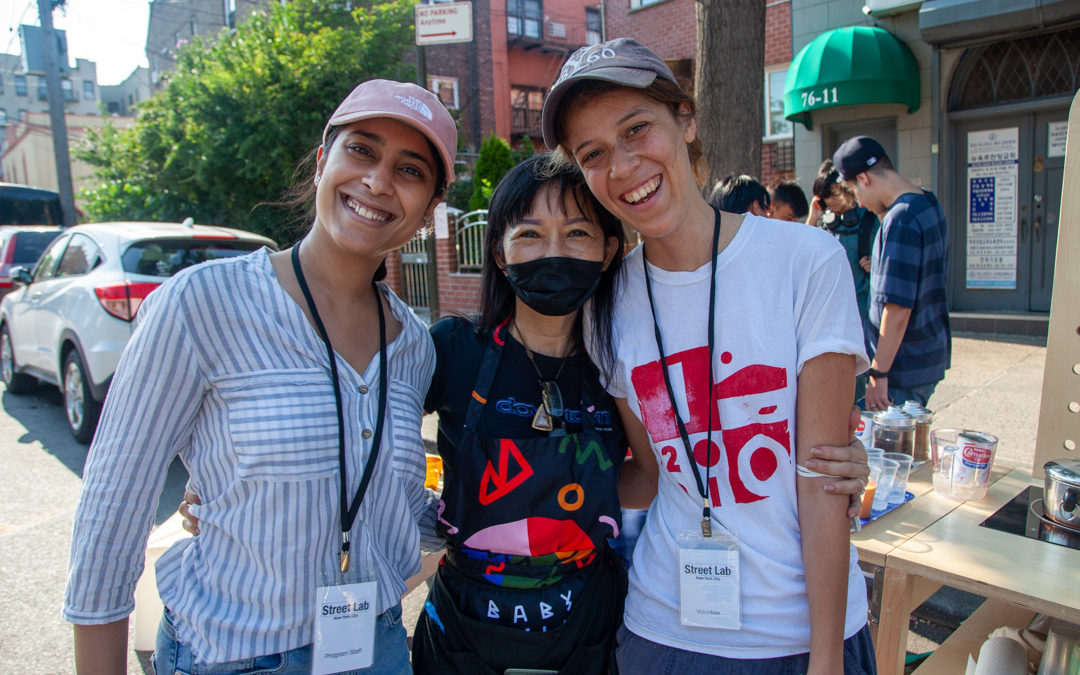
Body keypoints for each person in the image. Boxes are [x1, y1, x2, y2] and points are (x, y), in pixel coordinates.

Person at [63, 79, 457, 675]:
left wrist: (510, 508)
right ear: (324, 162)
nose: (377, 181)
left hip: (374, 650)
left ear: (429, 210)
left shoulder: (413, 347)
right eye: (362, 151)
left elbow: (392, 499)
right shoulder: (203, 303)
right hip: (232, 654)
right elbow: (112, 508)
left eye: (409, 170)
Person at [542, 37, 875, 673]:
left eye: (637, 129)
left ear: (685, 120)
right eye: (594, 154)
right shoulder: (606, 305)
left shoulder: (806, 263)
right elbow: (649, 469)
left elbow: (823, 480)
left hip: (799, 633)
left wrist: (828, 658)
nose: (624, 166)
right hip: (663, 629)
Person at [410, 153, 637, 673]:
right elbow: (366, 436)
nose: (554, 252)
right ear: (499, 251)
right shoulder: (453, 349)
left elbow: (649, 473)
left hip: (586, 621)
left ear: (608, 251)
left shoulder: (621, 364)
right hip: (465, 627)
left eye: (578, 233)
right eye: (530, 234)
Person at [833, 135, 950, 411]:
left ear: (865, 178)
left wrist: (878, 373)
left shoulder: (901, 218)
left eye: (854, 191)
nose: (859, 203)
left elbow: (897, 308)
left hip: (900, 368)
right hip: (925, 355)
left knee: (891, 452)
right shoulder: (928, 203)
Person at [808, 159, 881, 406]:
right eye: (824, 197)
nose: (830, 201)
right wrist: (813, 218)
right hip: (832, 324)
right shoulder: (826, 226)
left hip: (864, 321)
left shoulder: (871, 222)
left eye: (832, 194)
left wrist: (877, 268)